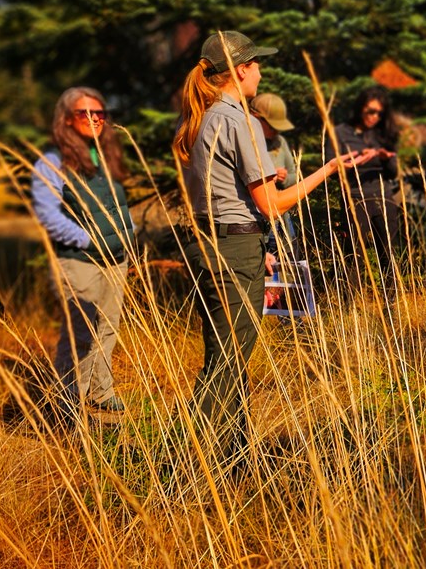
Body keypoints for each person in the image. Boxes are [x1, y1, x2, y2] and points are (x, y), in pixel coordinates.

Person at [172, 30, 374, 472]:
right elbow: (274, 204)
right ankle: (181, 466)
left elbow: (229, 192)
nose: (261, 72)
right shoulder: (238, 119)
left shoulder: (206, 116)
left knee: (225, 354)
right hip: (234, 248)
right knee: (228, 361)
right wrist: (328, 170)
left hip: (217, 241)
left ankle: (232, 457)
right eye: (257, 64)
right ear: (241, 69)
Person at [31, 87, 135, 423]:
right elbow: (48, 215)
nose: (94, 120)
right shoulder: (52, 162)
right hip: (80, 261)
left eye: (100, 114)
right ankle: (66, 405)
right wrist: (86, 240)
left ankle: (101, 392)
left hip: (115, 259)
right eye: (84, 114)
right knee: (78, 335)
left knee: (108, 328)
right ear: (65, 119)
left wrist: (127, 238)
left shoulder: (105, 155)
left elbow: (118, 205)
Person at [326, 86, 402, 302]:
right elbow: (331, 169)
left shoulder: (382, 133)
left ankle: (391, 306)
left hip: (384, 197)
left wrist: (386, 158)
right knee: (355, 255)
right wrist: (355, 159)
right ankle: (351, 306)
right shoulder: (340, 133)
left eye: (379, 113)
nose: (374, 117)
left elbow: (394, 172)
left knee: (388, 253)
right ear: (360, 109)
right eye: (370, 111)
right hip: (355, 197)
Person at [249, 93, 298, 246]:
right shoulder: (247, 142)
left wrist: (284, 178)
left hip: (282, 217)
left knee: (289, 260)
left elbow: (294, 176)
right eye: (272, 126)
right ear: (256, 118)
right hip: (255, 219)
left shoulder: (280, 142)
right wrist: (266, 179)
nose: (277, 131)